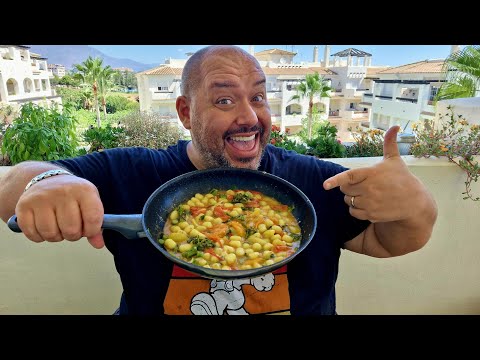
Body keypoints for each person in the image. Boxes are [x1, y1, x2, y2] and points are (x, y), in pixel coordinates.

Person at [0, 45, 437, 315]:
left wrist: (418, 206)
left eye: (259, 97)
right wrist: (49, 181)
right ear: (186, 113)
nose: (249, 116)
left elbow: (388, 242)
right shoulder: (131, 172)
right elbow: (12, 187)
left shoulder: (317, 181)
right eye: (224, 99)